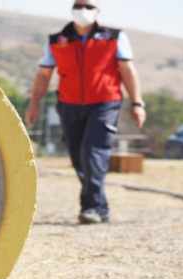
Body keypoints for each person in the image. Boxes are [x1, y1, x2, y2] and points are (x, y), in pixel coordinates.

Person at [24, 0, 146, 224]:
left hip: (105, 103)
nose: (84, 10)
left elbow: (128, 71)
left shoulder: (114, 37)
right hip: (68, 104)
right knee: (78, 157)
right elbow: (43, 75)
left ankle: (94, 207)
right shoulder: (57, 40)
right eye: (79, 5)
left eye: (89, 6)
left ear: (98, 11)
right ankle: (98, 204)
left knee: (93, 153)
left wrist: (137, 103)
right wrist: (34, 104)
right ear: (72, 9)